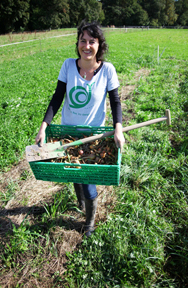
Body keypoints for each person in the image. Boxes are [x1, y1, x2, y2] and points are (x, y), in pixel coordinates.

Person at [35, 20, 125, 237]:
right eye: (82, 41)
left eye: (91, 41)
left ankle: (90, 223)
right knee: (73, 172)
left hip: (93, 136)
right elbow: (57, 98)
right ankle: (81, 204)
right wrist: (43, 126)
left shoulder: (108, 70)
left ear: (99, 45)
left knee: (88, 182)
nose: (86, 46)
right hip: (68, 134)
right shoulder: (68, 66)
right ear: (77, 43)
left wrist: (118, 128)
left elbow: (115, 102)